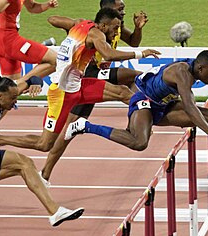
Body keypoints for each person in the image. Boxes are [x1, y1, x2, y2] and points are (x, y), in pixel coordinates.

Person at [0, 8, 160, 171]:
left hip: (79, 85)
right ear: (103, 26)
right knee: (44, 144)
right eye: (115, 28)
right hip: (62, 93)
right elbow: (109, 54)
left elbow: (53, 19)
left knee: (122, 92)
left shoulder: (80, 24)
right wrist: (141, 54)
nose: (117, 32)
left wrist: (69, 30)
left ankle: (142, 124)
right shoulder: (97, 34)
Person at [65, 50, 208, 163]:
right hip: (143, 101)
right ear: (202, 68)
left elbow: (190, 105)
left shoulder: (193, 69)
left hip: (164, 105)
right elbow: (191, 107)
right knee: (139, 142)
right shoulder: (183, 73)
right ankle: (85, 126)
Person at [39, 0, 148, 181]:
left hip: (100, 73)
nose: (123, 11)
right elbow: (54, 19)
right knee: (69, 130)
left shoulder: (115, 26)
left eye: (123, 8)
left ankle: (141, 119)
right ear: (107, 11)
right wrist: (72, 28)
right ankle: (45, 172)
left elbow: (133, 42)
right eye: (120, 8)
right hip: (89, 73)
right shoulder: (95, 30)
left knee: (129, 83)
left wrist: (138, 28)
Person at [0, 73, 84, 226]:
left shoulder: (6, 92)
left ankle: (56, 212)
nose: (15, 102)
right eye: (12, 99)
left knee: (25, 163)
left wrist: (37, 84)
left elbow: (33, 79)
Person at [0, 0, 58, 80]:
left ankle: (18, 85)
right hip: (10, 42)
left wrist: (47, 5)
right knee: (56, 60)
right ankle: (23, 83)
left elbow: (32, 7)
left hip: (1, 43)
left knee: (10, 90)